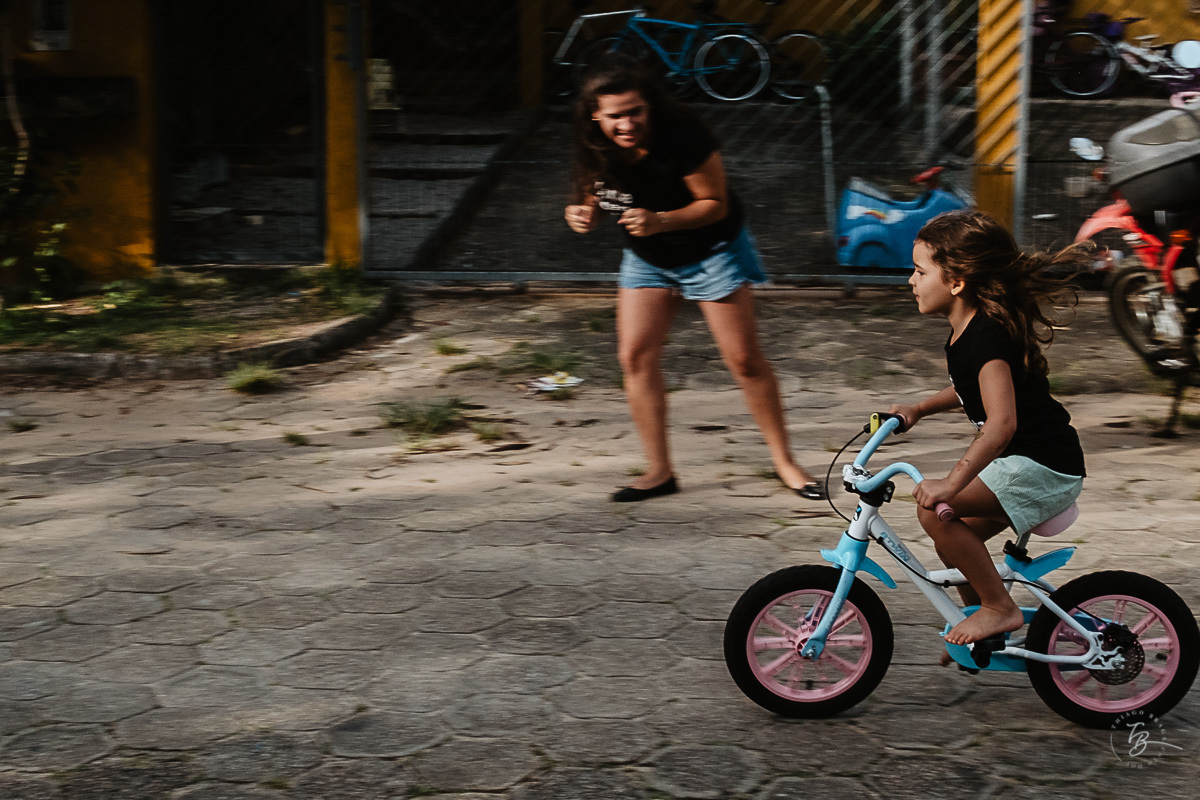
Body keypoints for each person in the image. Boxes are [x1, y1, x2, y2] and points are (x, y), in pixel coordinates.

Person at [564, 53, 822, 503]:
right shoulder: (594, 142)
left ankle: (785, 461)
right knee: (635, 356)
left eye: (634, 112)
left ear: (650, 106)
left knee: (743, 359)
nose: (626, 124)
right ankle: (660, 471)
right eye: (615, 116)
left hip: (711, 250)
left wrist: (660, 221)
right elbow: (592, 183)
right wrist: (583, 211)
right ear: (595, 117)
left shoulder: (682, 136)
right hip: (648, 257)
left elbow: (715, 204)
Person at [888, 210, 1091, 647]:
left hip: (1043, 466)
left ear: (957, 282)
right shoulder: (969, 333)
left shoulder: (985, 338)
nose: (911, 280)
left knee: (935, 512)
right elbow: (969, 389)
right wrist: (919, 409)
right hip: (1032, 464)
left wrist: (950, 484)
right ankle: (981, 618)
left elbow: (1000, 425)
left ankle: (1000, 609)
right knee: (955, 541)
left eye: (921, 271)